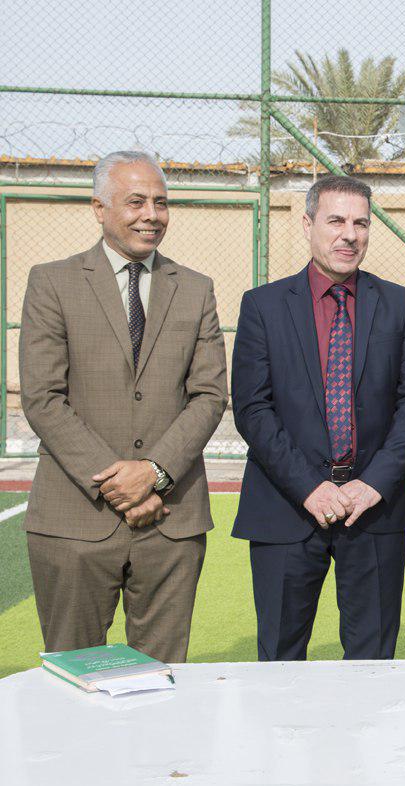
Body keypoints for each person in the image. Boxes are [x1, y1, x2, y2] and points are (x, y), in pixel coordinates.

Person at [20, 150, 227, 663]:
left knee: (163, 679)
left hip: (171, 522)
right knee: (75, 673)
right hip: (75, 520)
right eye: (136, 202)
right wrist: (122, 485)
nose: (151, 215)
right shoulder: (52, 282)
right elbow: (43, 397)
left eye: (160, 202)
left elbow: (209, 395)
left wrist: (154, 473)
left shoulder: (196, 288)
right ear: (99, 208)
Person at [231, 174, 405, 661]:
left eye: (361, 223)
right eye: (336, 221)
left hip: (374, 510)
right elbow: (253, 408)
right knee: (280, 658)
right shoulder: (263, 306)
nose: (350, 235)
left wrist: (373, 483)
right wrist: (310, 487)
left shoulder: (399, 304)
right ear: (308, 224)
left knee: (372, 658)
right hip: (286, 506)